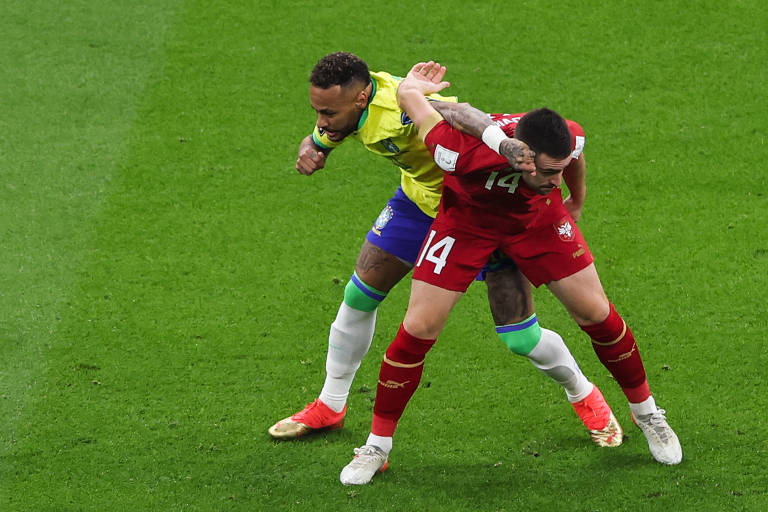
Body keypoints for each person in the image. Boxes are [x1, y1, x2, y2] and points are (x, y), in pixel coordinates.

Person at [339, 61, 682, 485]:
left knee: (597, 314)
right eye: (547, 171)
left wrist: (574, 198)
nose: (553, 178)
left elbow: (575, 155)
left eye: (559, 171)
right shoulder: (457, 151)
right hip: (466, 226)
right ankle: (377, 447)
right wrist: (411, 86)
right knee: (417, 328)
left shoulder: (563, 139)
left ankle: (648, 415)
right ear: (522, 154)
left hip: (536, 223)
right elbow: (416, 101)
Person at [269, 52, 622, 448]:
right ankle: (330, 405)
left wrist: (501, 143)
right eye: (318, 110)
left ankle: (583, 392)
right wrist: (314, 146)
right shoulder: (354, 104)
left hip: (475, 215)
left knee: (519, 338)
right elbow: (327, 132)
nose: (321, 120)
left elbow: (461, 115)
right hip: (418, 204)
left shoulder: (394, 111)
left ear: (360, 98)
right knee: (359, 294)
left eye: (326, 112)